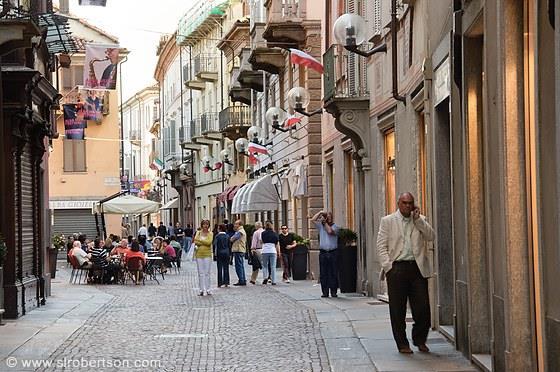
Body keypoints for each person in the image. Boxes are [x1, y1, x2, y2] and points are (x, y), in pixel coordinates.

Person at [377, 192, 435, 354]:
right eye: (404, 203)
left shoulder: (420, 220)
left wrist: (418, 220)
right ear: (398, 203)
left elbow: (431, 236)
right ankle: (402, 344)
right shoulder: (387, 221)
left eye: (410, 203)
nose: (408, 206)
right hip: (397, 268)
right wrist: (389, 267)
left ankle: (420, 339)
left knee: (423, 309)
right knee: (397, 310)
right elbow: (381, 246)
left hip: (417, 269)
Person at [311, 210, 340, 298]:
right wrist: (320, 213)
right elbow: (313, 220)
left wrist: (324, 223)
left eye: (329, 216)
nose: (328, 218)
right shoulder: (321, 226)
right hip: (323, 252)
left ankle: (333, 291)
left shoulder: (335, 226)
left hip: (333, 252)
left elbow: (330, 231)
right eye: (327, 216)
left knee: (333, 272)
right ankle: (325, 292)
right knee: (324, 273)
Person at [194, 220, 214, 295]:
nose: (205, 226)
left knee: (207, 273)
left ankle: (208, 289)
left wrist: (200, 241)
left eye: (207, 224)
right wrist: (203, 241)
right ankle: (201, 290)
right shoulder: (198, 233)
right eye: (204, 224)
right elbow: (195, 241)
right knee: (200, 273)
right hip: (199, 254)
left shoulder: (210, 233)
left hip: (207, 254)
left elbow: (209, 242)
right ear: (202, 225)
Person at [260, 221, 279, 285]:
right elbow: (277, 243)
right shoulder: (274, 233)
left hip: (265, 250)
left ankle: (265, 277)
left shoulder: (263, 233)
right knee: (273, 266)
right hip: (273, 250)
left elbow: (261, 241)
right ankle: (274, 281)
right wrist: (278, 251)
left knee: (265, 265)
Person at [230, 220, 247, 286]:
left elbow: (232, 239)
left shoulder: (240, 232)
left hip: (238, 249)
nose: (234, 225)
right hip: (240, 249)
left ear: (239, 225)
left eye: (236, 224)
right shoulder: (240, 231)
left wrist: (231, 238)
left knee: (238, 266)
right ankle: (243, 279)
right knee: (241, 265)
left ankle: (241, 280)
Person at [213, 224, 230, 288]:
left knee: (219, 268)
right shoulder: (227, 236)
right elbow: (229, 245)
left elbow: (215, 245)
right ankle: (226, 282)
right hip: (226, 253)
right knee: (226, 268)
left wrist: (214, 254)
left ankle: (219, 283)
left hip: (219, 253)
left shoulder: (217, 236)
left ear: (220, 229)